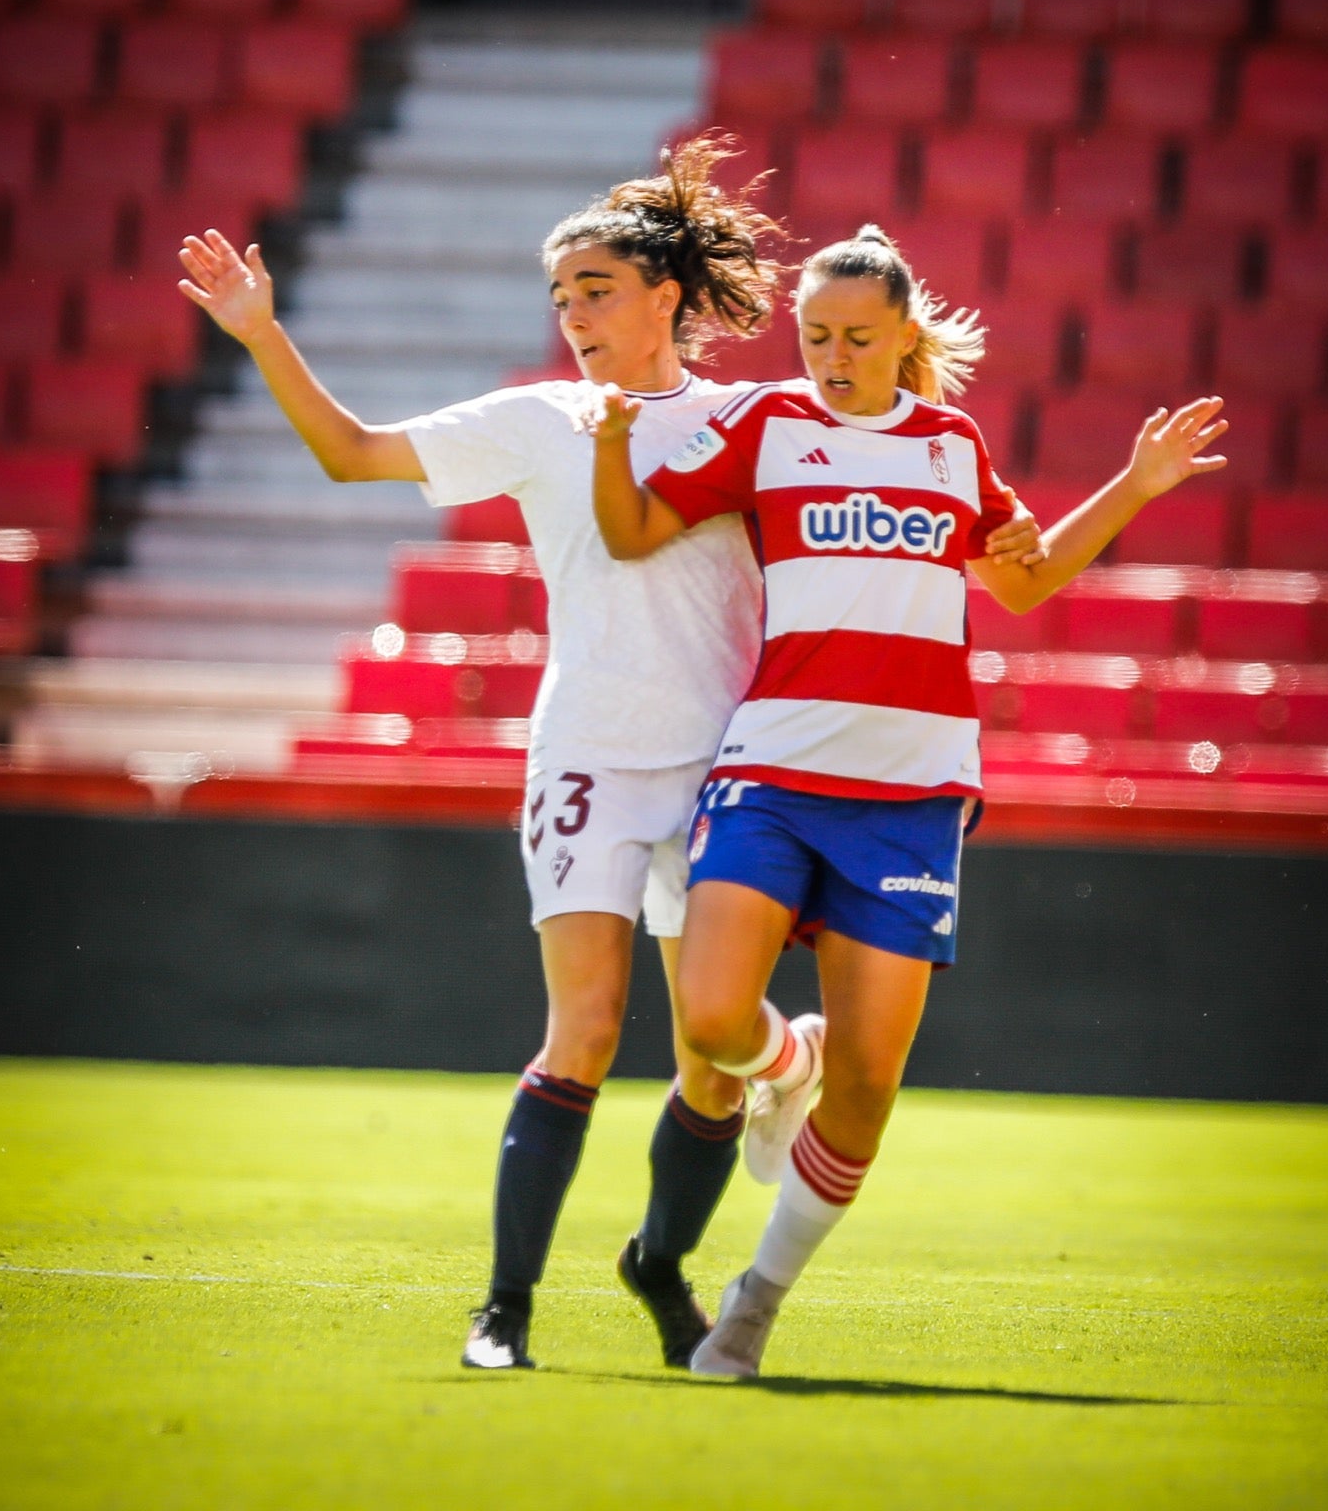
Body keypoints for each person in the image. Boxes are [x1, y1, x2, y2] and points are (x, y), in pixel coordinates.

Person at [179, 158, 1039, 1374]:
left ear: (666, 298)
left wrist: (1009, 529)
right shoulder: (538, 419)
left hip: (727, 765)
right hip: (587, 752)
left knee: (709, 1060)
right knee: (581, 1029)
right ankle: (504, 1310)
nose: (573, 316)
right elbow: (353, 453)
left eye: (596, 291)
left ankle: (661, 1264)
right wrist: (260, 334)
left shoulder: (764, 419)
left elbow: (906, 500)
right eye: (561, 296)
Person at [589, 223, 1229, 1378]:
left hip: (911, 796)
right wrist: (611, 439)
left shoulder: (950, 444)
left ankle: (753, 1305)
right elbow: (631, 532)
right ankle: (788, 1065)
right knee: (713, 1022)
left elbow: (1025, 582)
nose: (833, 357)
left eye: (857, 338)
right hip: (774, 771)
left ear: (903, 336)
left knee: (870, 1091)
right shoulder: (769, 425)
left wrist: (1135, 484)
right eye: (815, 335)